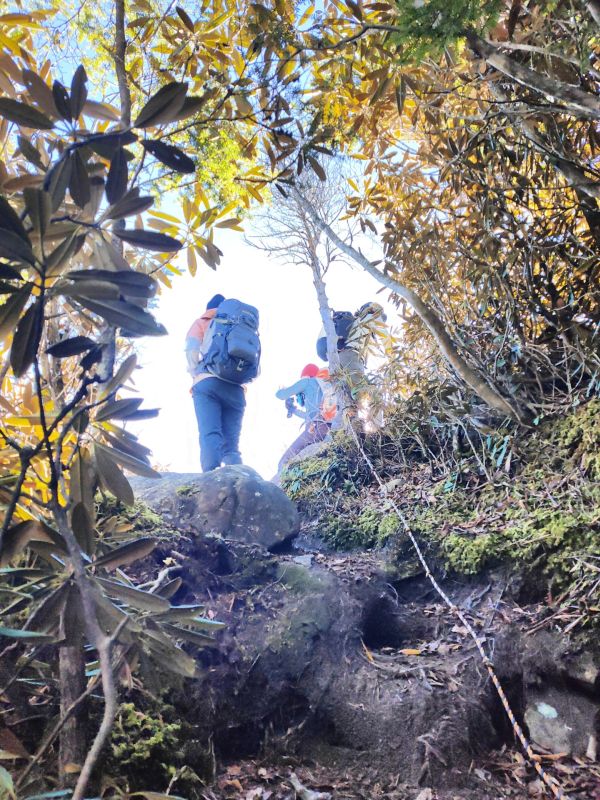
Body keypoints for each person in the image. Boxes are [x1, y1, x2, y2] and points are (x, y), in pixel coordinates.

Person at [185, 294, 253, 472]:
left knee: (210, 434)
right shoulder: (241, 324)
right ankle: (240, 481)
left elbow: (191, 353)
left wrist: (196, 372)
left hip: (207, 384)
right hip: (236, 389)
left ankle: (209, 480)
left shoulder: (202, 322)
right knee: (231, 446)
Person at [275, 363, 336, 472]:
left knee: (283, 462)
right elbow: (310, 415)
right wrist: (293, 410)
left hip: (314, 428)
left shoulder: (307, 381)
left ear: (305, 375)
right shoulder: (324, 387)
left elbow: (282, 395)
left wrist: (281, 390)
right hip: (327, 428)